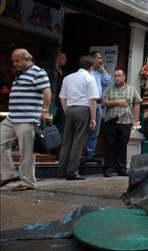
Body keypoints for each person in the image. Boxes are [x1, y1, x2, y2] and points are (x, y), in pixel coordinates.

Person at [0, 49, 51, 191]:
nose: (14, 64)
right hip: (13, 117)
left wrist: (45, 111)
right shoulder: (20, 73)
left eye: (17, 61)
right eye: (13, 61)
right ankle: (9, 173)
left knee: (26, 151)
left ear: (27, 59)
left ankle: (27, 182)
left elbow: (47, 91)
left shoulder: (38, 72)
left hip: (28, 118)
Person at [58, 55, 99, 180]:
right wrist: (93, 118)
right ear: (91, 66)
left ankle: (61, 170)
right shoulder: (89, 78)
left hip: (70, 108)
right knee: (78, 141)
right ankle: (72, 171)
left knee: (66, 141)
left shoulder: (68, 78)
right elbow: (92, 100)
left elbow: (62, 97)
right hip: (83, 109)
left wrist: (67, 111)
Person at [101, 69, 141, 177]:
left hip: (126, 121)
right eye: (115, 76)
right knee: (109, 145)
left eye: (119, 76)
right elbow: (103, 102)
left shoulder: (132, 90)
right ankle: (108, 169)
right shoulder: (109, 89)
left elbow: (137, 104)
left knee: (122, 145)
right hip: (111, 120)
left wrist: (135, 121)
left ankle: (121, 169)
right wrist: (118, 102)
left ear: (124, 77)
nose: (116, 78)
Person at [81, 51, 112, 164]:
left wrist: (102, 68)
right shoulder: (87, 73)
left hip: (98, 105)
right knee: (85, 130)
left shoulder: (98, 74)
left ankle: (90, 154)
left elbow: (108, 81)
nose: (100, 60)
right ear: (92, 59)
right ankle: (81, 154)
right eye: (99, 58)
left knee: (95, 132)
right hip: (87, 103)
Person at [53, 53, 67, 134]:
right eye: (63, 58)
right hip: (53, 102)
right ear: (57, 59)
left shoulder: (62, 71)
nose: (65, 60)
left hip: (60, 102)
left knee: (59, 125)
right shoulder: (52, 71)